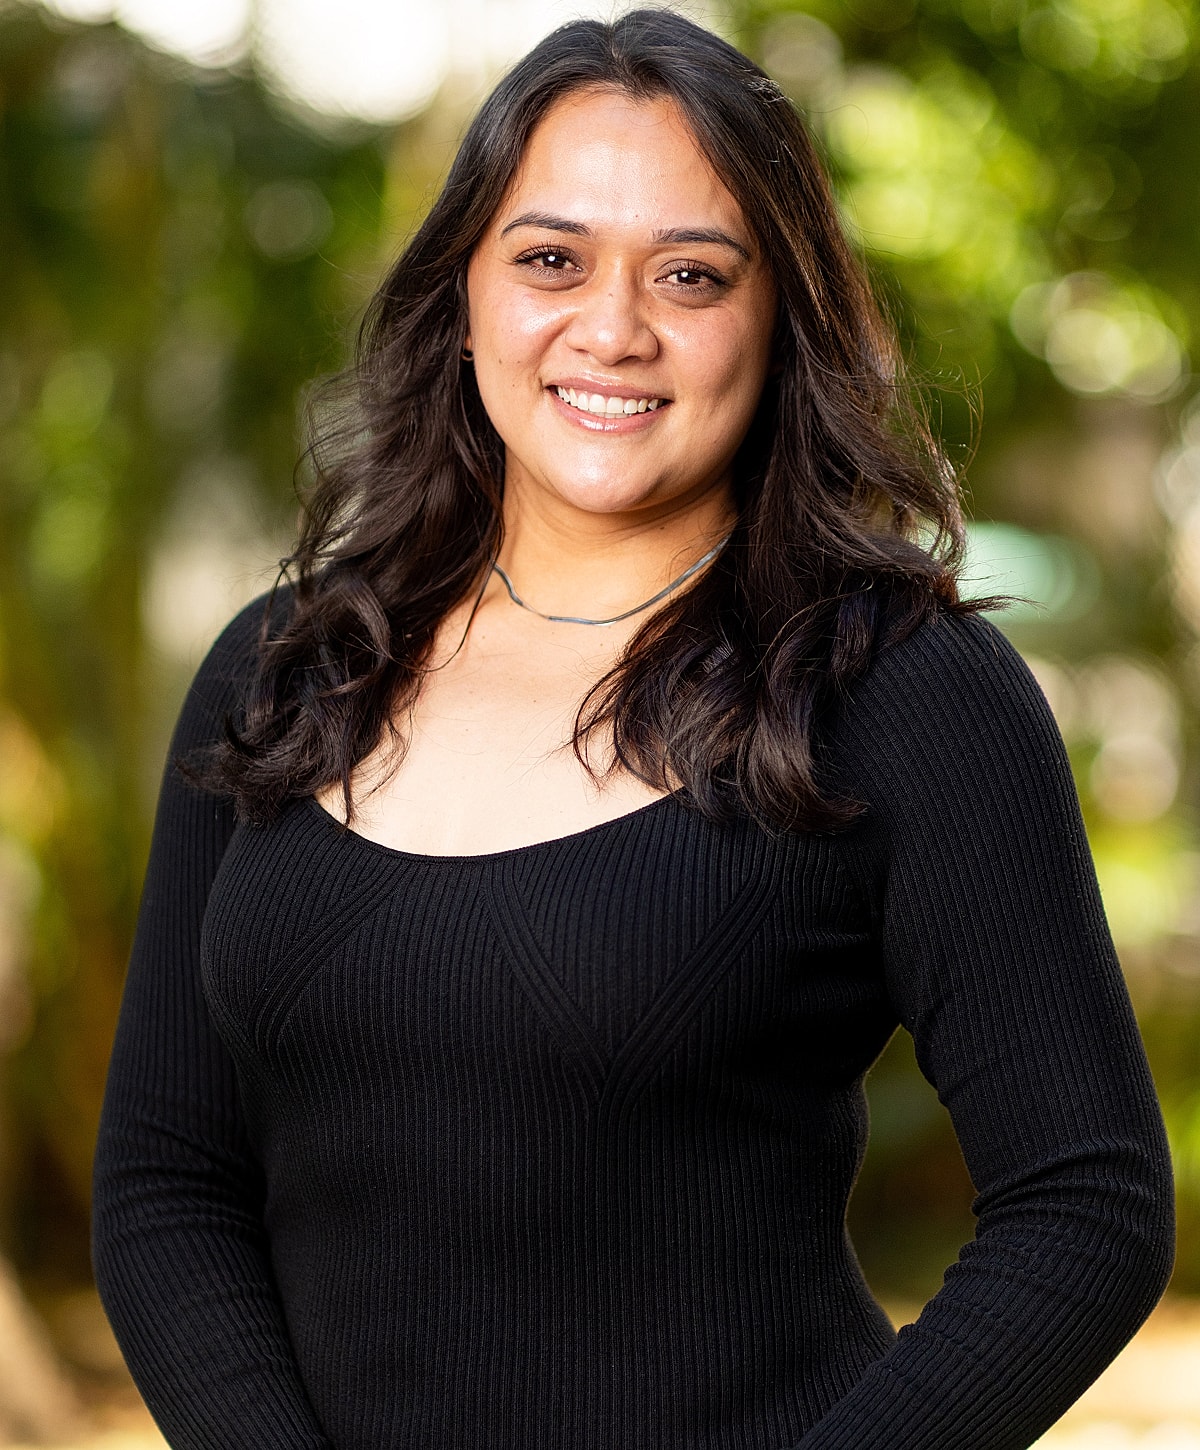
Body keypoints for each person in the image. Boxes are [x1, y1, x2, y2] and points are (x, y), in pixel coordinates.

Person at [91, 10, 1175, 1450]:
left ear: (781, 314)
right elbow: (169, 1174)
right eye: (550, 259)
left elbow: (1086, 1204)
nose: (613, 327)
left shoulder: (904, 690)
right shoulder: (284, 670)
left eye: (691, 274)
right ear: (463, 293)